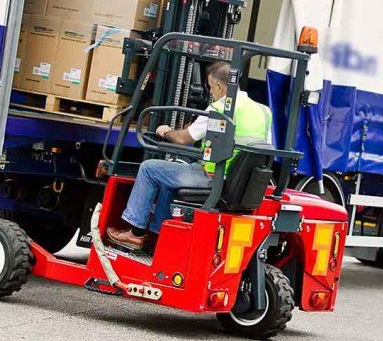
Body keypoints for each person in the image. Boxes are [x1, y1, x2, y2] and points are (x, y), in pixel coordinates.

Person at [107, 61, 272, 250]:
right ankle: (157, 236)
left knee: (150, 169)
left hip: (214, 178)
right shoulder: (263, 111)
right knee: (169, 180)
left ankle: (135, 232)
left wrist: (166, 131)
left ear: (219, 86)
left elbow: (184, 138)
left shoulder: (219, 109)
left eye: (211, 87)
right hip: (241, 182)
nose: (210, 93)